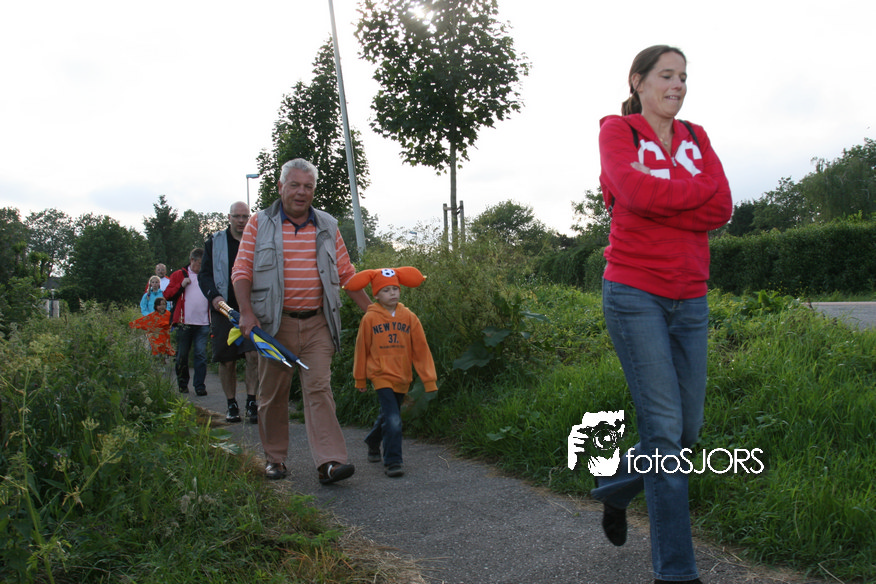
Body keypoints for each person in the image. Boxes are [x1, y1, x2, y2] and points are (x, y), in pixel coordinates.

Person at [589, 45, 732, 584]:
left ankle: (617, 489)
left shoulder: (696, 136)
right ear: (639, 81)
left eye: (683, 77)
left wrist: (663, 198)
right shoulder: (617, 132)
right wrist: (691, 196)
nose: (678, 85)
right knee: (666, 434)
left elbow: (722, 206)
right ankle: (677, 572)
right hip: (634, 293)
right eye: (667, 75)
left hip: (690, 295)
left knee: (685, 432)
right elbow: (632, 191)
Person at [232, 158, 371, 483]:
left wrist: (372, 311)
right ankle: (275, 460)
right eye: (294, 185)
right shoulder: (259, 223)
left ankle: (330, 462)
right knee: (273, 395)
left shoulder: (327, 225)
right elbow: (242, 270)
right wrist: (247, 312)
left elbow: (346, 273)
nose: (301, 192)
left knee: (320, 389)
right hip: (274, 326)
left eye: (308, 186)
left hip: (318, 324)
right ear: (281, 187)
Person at [345, 267, 438, 478]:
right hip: (380, 375)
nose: (392, 293)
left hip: (402, 375)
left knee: (389, 415)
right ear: (376, 295)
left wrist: (429, 379)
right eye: (386, 290)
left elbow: (421, 350)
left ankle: (373, 440)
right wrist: (360, 378)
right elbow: (362, 349)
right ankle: (393, 461)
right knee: (394, 419)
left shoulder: (409, 317)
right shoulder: (370, 319)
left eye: (395, 289)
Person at [199, 201, 259, 424]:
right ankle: (231, 403)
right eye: (237, 216)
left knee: (254, 355)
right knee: (227, 361)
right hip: (224, 309)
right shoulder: (214, 242)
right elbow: (204, 275)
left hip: (251, 308)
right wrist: (214, 296)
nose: (241, 221)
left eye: (245, 217)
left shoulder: (256, 240)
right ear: (229, 218)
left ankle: (252, 401)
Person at [165, 248, 211, 395]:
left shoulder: (207, 275)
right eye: (200, 263)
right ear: (192, 260)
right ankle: (183, 384)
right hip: (184, 322)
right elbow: (167, 295)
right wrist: (181, 285)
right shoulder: (179, 275)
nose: (202, 266)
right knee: (182, 355)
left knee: (200, 355)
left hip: (203, 322)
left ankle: (199, 386)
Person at [129, 297, 175, 361]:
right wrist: (132, 325)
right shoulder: (152, 316)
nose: (162, 306)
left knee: (163, 355)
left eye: (164, 304)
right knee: (155, 355)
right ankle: (155, 364)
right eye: (159, 305)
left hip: (165, 339)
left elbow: (174, 323)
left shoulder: (169, 315)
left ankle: (162, 364)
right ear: (156, 306)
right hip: (154, 339)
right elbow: (143, 321)